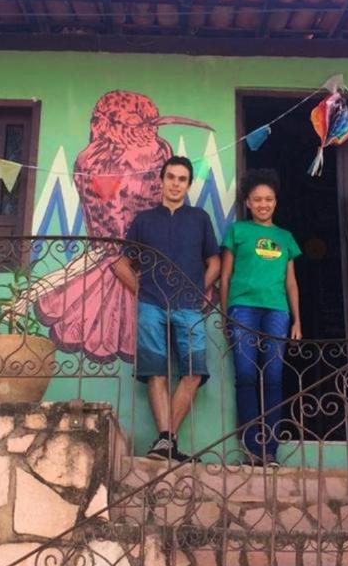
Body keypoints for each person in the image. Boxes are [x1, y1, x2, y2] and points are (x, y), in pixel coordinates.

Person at [114, 156, 221, 462]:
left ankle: (165, 441)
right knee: (155, 372)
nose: (176, 183)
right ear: (161, 181)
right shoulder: (144, 220)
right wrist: (143, 290)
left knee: (193, 372)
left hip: (189, 306)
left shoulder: (199, 218)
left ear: (188, 184)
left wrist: (199, 290)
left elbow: (214, 262)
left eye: (182, 179)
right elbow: (121, 264)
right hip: (151, 306)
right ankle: (167, 442)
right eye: (171, 177)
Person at [220, 169, 302, 468]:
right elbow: (225, 276)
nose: (263, 204)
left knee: (274, 377)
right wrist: (225, 311)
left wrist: (297, 320)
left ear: (275, 202)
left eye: (268, 199)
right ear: (248, 203)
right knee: (245, 375)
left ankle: (271, 451)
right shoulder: (237, 231)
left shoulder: (285, 237)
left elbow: (291, 282)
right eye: (257, 200)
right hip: (243, 309)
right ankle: (251, 449)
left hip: (277, 311)